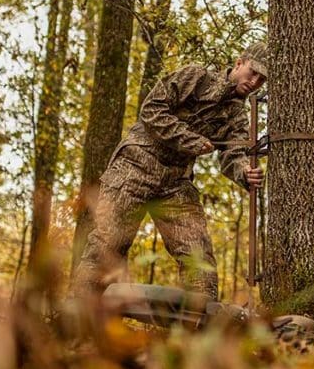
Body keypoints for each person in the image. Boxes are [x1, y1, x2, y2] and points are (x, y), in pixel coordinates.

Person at [74, 42, 268, 300]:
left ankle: (200, 329)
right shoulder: (196, 77)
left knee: (198, 257)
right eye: (252, 73)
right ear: (239, 63)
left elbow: (233, 154)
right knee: (107, 246)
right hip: (135, 166)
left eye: (262, 80)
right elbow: (152, 109)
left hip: (176, 181)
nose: (255, 82)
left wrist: (245, 171)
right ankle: (76, 320)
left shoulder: (238, 116)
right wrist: (191, 140)